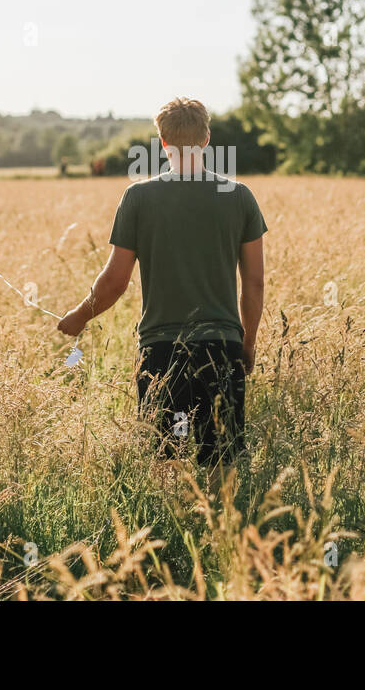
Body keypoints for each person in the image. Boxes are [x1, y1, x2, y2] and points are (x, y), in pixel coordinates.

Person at [56, 97, 267, 474]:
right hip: (222, 348)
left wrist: (79, 316)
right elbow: (253, 283)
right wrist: (246, 344)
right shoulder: (239, 197)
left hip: (162, 353)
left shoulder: (139, 197)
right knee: (221, 464)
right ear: (206, 138)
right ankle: (222, 532)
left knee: (168, 461)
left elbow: (115, 281)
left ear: (162, 142)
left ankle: (174, 530)